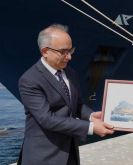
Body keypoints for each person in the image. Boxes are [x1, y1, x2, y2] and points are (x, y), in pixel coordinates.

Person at [18, 24, 114, 165]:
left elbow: (77, 105)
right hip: (43, 157)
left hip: (70, 153)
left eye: (70, 51)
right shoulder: (29, 80)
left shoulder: (71, 73)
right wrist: (91, 127)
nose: (69, 57)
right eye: (63, 52)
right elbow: (47, 119)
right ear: (45, 51)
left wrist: (91, 116)